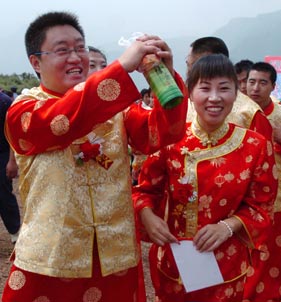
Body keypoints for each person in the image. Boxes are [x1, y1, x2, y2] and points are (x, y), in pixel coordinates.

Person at [2, 11, 187, 301]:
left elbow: (164, 133)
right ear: (36, 62)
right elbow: (61, 122)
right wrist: (121, 67)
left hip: (114, 257)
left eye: (80, 48)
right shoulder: (24, 110)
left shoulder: (117, 109)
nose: (75, 57)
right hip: (49, 258)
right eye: (63, 50)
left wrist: (167, 76)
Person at [133, 54, 277, 301]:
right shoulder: (171, 140)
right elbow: (143, 191)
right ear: (190, 93)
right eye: (205, 88)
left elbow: (262, 204)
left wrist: (227, 227)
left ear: (236, 93)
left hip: (226, 262)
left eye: (224, 89)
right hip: (174, 260)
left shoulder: (255, 145)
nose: (214, 97)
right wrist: (147, 216)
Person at [244, 62, 281, 301]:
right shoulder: (236, 111)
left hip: (279, 197)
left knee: (274, 256)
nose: (255, 88)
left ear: (273, 86)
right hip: (243, 195)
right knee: (243, 252)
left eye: (262, 82)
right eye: (251, 81)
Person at [185, 37, 272, 141]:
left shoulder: (251, 113)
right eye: (189, 65)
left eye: (194, 65)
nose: (214, 98)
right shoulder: (181, 109)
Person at [0, 91, 20, 244]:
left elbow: (14, 133)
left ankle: (15, 233)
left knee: (4, 194)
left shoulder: (5, 102)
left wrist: (12, 161)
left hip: (3, 153)